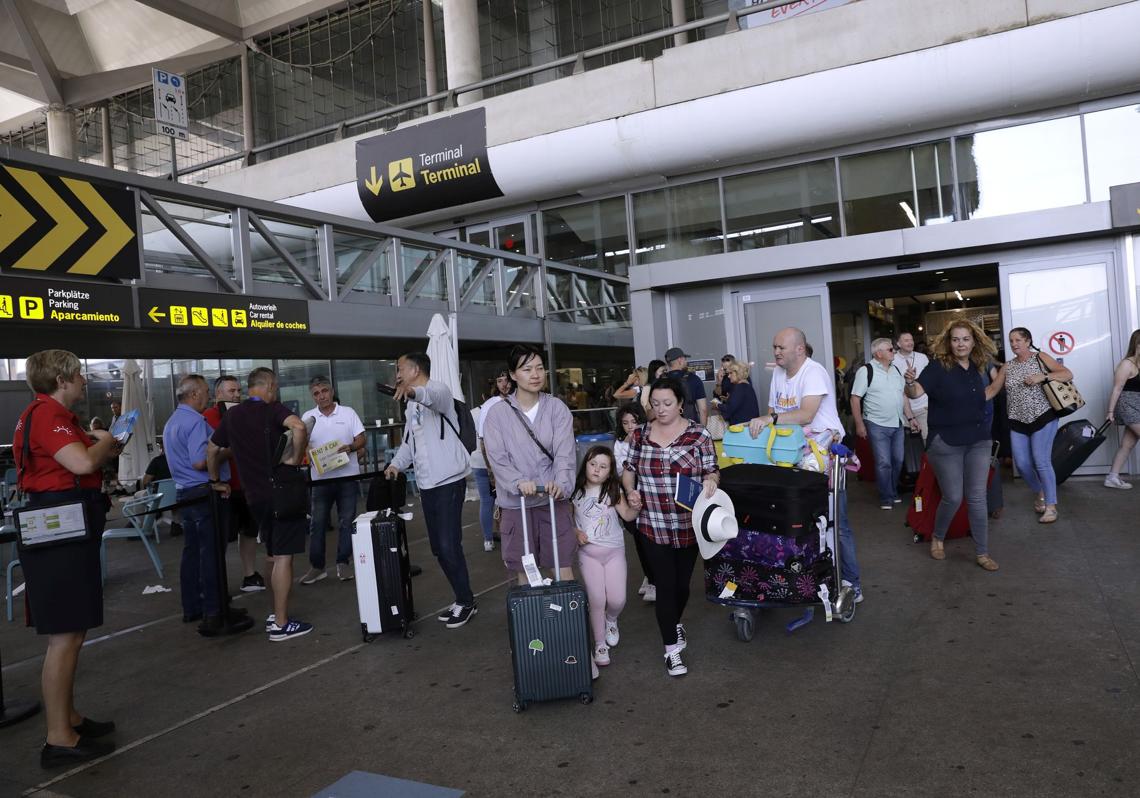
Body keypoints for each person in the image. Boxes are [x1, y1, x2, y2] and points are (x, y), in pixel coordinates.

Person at [12, 350, 122, 767]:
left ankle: (68, 718)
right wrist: (104, 441)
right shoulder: (48, 415)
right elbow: (79, 461)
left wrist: (97, 443)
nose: (83, 381)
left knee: (72, 631)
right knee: (65, 636)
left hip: (66, 525)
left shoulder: (47, 415)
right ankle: (59, 738)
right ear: (61, 380)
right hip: (60, 529)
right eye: (78, 375)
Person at [748, 327, 863, 602]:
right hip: (793, 454)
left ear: (799, 349)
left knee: (836, 521)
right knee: (800, 520)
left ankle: (852, 582)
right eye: (774, 347)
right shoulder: (778, 373)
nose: (776, 352)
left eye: (781, 347)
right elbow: (774, 411)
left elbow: (806, 414)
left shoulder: (814, 372)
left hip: (825, 455)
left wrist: (771, 419)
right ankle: (809, 578)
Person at [208, 367, 313, 641]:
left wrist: (214, 479)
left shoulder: (233, 415)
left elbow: (212, 448)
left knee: (271, 554)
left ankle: (275, 613)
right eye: (274, 387)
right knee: (284, 557)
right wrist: (295, 458)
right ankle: (281, 623)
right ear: (269, 385)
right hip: (281, 491)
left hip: (254, 495)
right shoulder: (272, 409)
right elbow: (299, 426)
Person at [623, 377, 718, 678]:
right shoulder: (639, 435)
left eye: (667, 403)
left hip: (688, 523)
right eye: (655, 404)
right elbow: (628, 470)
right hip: (652, 523)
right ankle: (671, 650)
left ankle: (674, 622)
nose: (661, 409)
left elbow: (712, 470)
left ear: (680, 404)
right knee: (665, 586)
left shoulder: (698, 435)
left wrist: (710, 482)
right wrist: (630, 491)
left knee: (681, 586)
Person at [384, 352, 477, 628]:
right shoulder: (411, 408)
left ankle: (466, 601)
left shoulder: (439, 390)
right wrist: (395, 464)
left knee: (448, 545)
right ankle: (462, 598)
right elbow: (408, 442)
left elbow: (430, 396)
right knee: (438, 548)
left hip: (449, 480)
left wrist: (412, 392)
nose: (397, 374)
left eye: (400, 368)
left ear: (415, 370)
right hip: (427, 485)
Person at [904, 318, 1005, 571]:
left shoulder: (977, 367)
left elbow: (986, 395)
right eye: (956, 339)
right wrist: (909, 382)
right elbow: (915, 393)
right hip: (946, 442)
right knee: (953, 497)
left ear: (974, 342)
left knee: (977, 497)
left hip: (978, 439)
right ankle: (938, 537)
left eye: (966, 339)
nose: (961, 344)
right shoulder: (938, 366)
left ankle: (982, 553)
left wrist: (1002, 375)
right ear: (949, 342)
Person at [163, 375, 253, 637]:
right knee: (211, 554)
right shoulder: (195, 421)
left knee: (192, 552)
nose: (208, 396)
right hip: (204, 493)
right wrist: (230, 449)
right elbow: (200, 461)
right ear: (193, 394)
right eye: (204, 391)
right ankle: (216, 612)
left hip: (185, 493)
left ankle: (194, 606)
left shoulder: (172, 421)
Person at [483, 345, 577, 589]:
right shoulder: (497, 414)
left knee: (562, 568)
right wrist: (518, 483)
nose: (535, 374)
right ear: (513, 375)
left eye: (539, 368)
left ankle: (568, 613)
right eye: (526, 369)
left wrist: (561, 484)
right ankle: (533, 613)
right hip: (517, 505)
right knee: (526, 571)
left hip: (553, 501)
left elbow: (565, 454)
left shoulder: (556, 408)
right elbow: (498, 459)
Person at [572, 446, 639, 668]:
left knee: (618, 599)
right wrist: (575, 532)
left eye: (603, 466)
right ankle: (600, 644)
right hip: (588, 554)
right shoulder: (575, 491)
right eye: (592, 464)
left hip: (614, 552)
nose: (596, 470)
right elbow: (567, 521)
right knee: (597, 599)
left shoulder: (613, 490)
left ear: (610, 471)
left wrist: (636, 507)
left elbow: (627, 515)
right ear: (585, 464)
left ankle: (611, 619)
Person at [300, 376, 365, 584]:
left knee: (347, 522)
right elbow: (301, 443)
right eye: (316, 393)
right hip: (320, 480)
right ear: (312, 396)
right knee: (317, 524)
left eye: (325, 391)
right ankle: (317, 567)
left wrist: (351, 447)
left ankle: (343, 562)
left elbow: (361, 438)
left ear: (332, 391)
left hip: (347, 477)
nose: (322, 396)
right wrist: (307, 450)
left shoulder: (348, 413)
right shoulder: (308, 417)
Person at [203, 375, 264, 591]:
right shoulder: (208, 417)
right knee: (221, 537)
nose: (237, 394)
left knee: (249, 531)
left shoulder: (245, 412)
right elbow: (211, 452)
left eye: (239, 390)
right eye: (232, 391)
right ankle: (218, 583)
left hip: (247, 483)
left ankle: (250, 574)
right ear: (218, 393)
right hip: (225, 486)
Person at [1004, 328, 1070, 523]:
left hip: (1043, 416)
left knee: (1041, 461)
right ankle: (1040, 491)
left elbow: (1067, 374)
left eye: (1018, 340)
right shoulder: (1008, 366)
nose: (1014, 344)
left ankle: (1051, 506)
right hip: (1017, 419)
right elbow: (992, 389)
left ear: (1028, 341)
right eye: (1011, 341)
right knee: (1022, 464)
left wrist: (1043, 376)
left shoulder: (1040, 357)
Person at [850, 337, 916, 510]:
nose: (893, 352)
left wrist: (911, 418)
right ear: (879, 354)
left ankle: (892, 491)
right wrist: (859, 424)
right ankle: (886, 497)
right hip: (876, 424)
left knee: (898, 460)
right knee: (883, 462)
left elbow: (903, 395)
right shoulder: (866, 371)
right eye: (890, 349)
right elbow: (855, 399)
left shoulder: (895, 369)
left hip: (897, 423)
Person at [614, 402, 654, 602]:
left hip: (649, 494)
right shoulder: (620, 443)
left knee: (649, 539)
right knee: (638, 537)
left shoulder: (651, 438)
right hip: (630, 495)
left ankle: (654, 579)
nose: (630, 426)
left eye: (634, 422)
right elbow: (620, 472)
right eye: (625, 423)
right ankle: (650, 575)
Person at [1105, 328, 1140, 489]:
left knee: (1127, 444)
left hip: (1138, 406)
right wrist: (1110, 412)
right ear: (1137, 344)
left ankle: (1112, 478)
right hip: (1128, 406)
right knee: (1127, 444)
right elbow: (1117, 388)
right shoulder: (1127, 364)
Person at [894, 332, 930, 441]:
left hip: (922, 407)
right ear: (898, 344)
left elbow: (929, 380)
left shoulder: (922, 357)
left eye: (911, 340)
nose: (910, 343)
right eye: (906, 340)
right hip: (900, 410)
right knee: (904, 444)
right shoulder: (892, 359)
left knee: (928, 440)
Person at [663, 347, 708, 425]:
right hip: (690, 427)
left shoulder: (660, 380)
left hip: (667, 426)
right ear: (680, 360)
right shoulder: (694, 379)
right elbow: (703, 410)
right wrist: (702, 429)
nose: (686, 361)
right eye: (685, 359)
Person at [713, 361, 760, 426]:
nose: (728, 376)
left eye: (731, 373)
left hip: (741, 427)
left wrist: (717, 405)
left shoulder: (739, 387)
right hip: (748, 425)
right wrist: (729, 399)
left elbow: (729, 409)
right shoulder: (746, 385)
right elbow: (740, 404)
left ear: (738, 373)